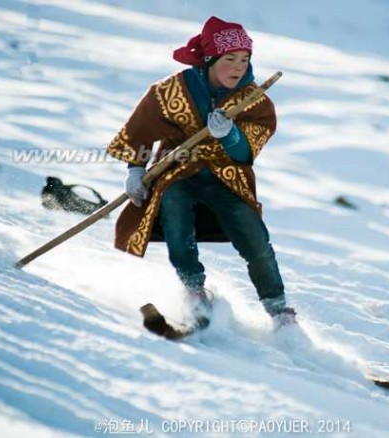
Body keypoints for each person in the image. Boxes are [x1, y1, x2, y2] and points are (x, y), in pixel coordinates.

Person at [106, 16, 296, 327]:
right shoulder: (171, 90)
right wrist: (135, 170)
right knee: (176, 221)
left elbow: (247, 151)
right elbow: (138, 131)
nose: (238, 67)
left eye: (244, 59)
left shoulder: (254, 100)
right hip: (177, 173)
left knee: (255, 238)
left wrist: (230, 135)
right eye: (230, 59)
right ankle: (194, 291)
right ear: (209, 60)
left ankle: (278, 310)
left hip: (227, 179)